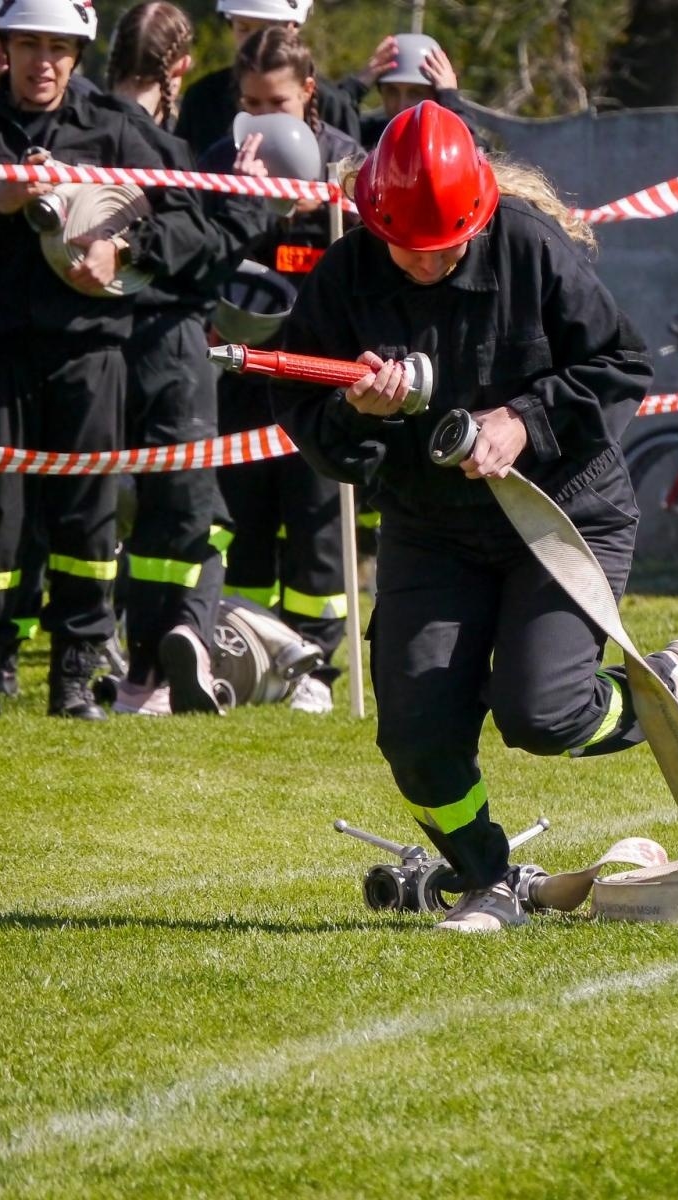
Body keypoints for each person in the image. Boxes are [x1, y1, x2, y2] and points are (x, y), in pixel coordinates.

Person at [267, 101, 678, 931]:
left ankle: (657, 693)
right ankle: (492, 879)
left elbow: (622, 365)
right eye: (400, 246)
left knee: (541, 713)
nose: (418, 262)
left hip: (561, 514)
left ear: (476, 217)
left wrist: (523, 420)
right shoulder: (346, 276)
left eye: (438, 247)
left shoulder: (529, 246)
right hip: (432, 527)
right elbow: (314, 430)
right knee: (415, 732)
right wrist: (360, 417)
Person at [0, 0, 199, 720]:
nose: (43, 62)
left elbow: (196, 219)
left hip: (91, 349)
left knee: (87, 520)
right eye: (29, 45)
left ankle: (75, 674)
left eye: (59, 49)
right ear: (2, 47)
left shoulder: (115, 129)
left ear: (79, 56)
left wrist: (123, 248)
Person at [103, 0, 270, 716]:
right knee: (187, 510)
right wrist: (246, 204)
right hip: (165, 345)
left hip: (81, 348)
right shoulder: (157, 150)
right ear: (179, 68)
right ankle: (170, 649)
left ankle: (157, 652)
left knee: (104, 513)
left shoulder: (75, 125)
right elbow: (190, 252)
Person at [201, 28, 360, 715]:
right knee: (245, 517)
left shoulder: (349, 167)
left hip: (324, 375)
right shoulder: (220, 161)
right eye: (251, 103)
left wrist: (332, 205)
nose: (264, 118)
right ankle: (252, 649)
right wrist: (242, 202)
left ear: (310, 96)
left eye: (279, 103)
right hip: (242, 372)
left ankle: (317, 664)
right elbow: (198, 255)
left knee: (320, 521)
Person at [174, 0, 357, 157]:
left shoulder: (334, 106)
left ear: (293, 27)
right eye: (243, 28)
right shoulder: (202, 99)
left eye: (269, 28)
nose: (256, 40)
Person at [343, 32, 474, 149]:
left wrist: (449, 95)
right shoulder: (370, 136)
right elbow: (329, 132)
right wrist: (355, 86)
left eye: (415, 93)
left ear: (436, 97)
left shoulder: (444, 146)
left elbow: (472, 152)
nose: (401, 105)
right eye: (392, 91)